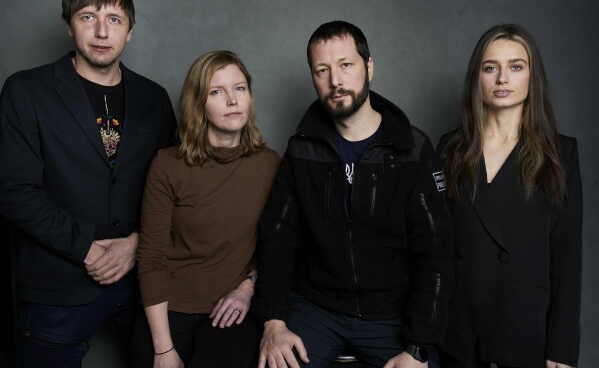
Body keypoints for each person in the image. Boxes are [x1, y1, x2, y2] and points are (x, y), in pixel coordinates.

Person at [252, 20, 454, 368]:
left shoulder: (413, 149)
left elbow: (436, 253)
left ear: (369, 67)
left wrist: (419, 346)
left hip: (392, 313)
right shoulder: (302, 150)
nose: (336, 81)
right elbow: (277, 239)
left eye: (346, 65)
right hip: (316, 307)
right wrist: (274, 322)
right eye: (322, 70)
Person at [0, 0, 177, 367]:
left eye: (114, 19)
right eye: (87, 17)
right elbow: (13, 190)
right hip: (56, 289)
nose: (101, 31)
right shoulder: (26, 91)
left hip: (142, 287)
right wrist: (85, 247)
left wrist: (136, 242)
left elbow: (172, 188)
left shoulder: (154, 98)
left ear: (129, 30)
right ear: (68, 24)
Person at [437, 24, 582, 368]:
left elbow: (567, 258)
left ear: (533, 77)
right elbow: (435, 248)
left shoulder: (561, 152)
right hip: (458, 331)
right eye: (491, 68)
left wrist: (561, 350)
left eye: (516, 66)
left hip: (523, 330)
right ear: (478, 78)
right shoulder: (450, 148)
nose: (503, 78)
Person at [132, 50, 280, 368]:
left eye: (240, 88)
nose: (232, 100)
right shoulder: (167, 164)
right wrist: (163, 349)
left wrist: (247, 286)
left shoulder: (269, 164)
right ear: (198, 103)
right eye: (217, 91)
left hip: (232, 309)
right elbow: (151, 257)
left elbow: (278, 246)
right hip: (167, 307)